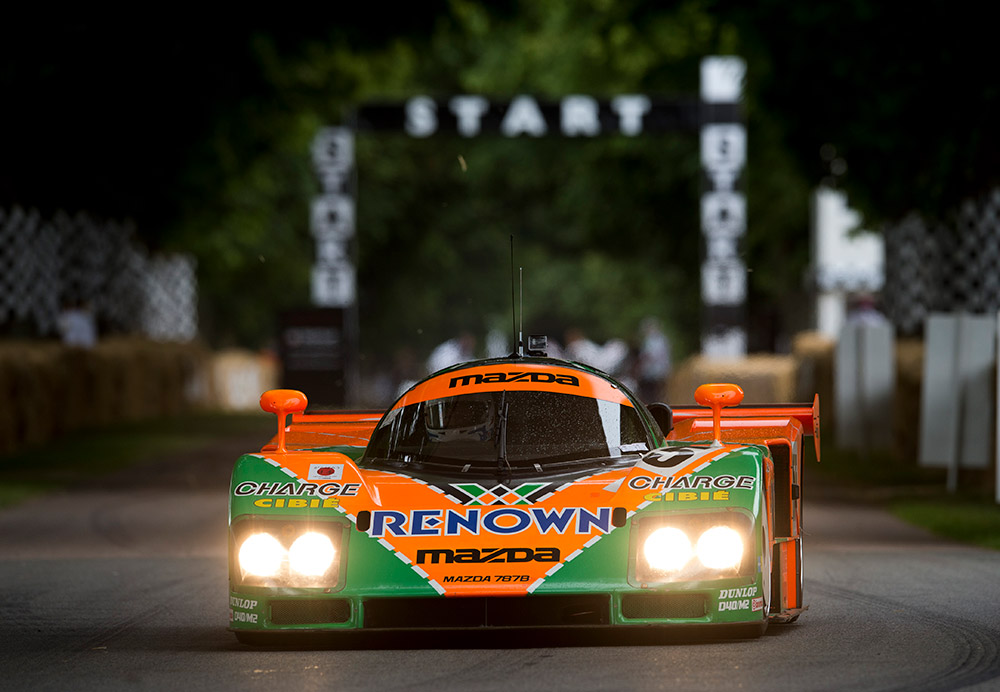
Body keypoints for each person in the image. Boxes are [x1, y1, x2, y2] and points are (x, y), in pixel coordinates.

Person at [637, 317, 671, 403]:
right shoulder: (661, 340)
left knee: (652, 393)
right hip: (659, 371)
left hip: (653, 372)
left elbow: (648, 355)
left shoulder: (652, 341)